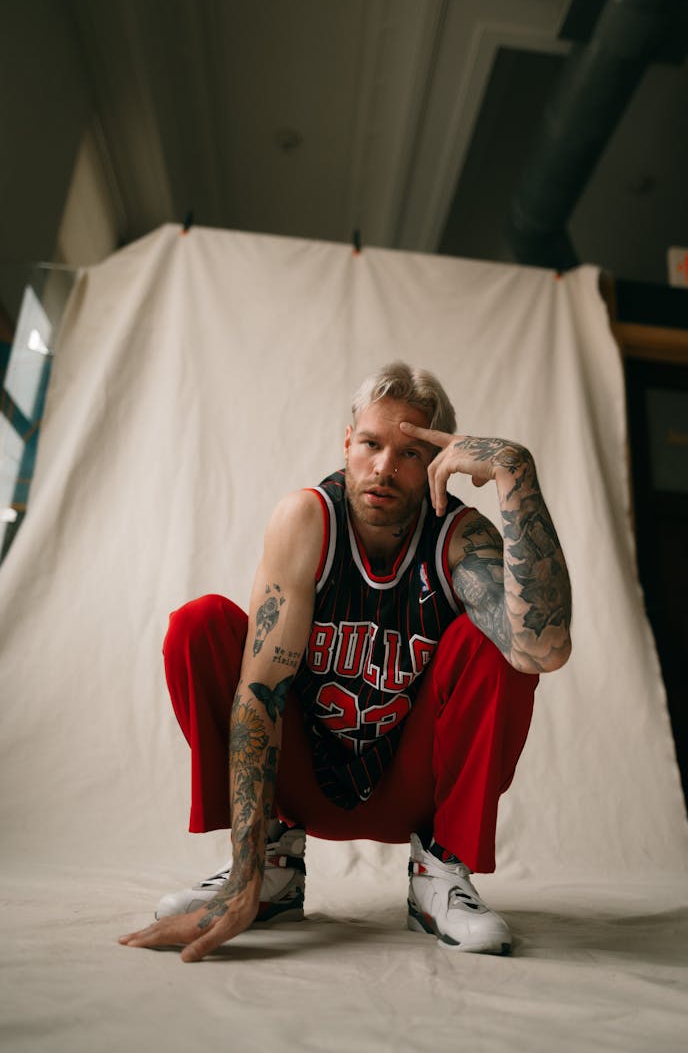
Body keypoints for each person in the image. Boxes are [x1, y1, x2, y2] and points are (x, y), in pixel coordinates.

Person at [119, 362, 571, 962]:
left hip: (413, 789)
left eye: (411, 452)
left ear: (440, 464)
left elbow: (542, 648)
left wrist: (515, 472)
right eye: (371, 444)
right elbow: (261, 694)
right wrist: (241, 880)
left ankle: (439, 868)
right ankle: (270, 867)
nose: (384, 467)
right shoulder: (308, 519)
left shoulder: (459, 536)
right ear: (347, 443)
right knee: (200, 625)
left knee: (495, 648)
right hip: (302, 779)